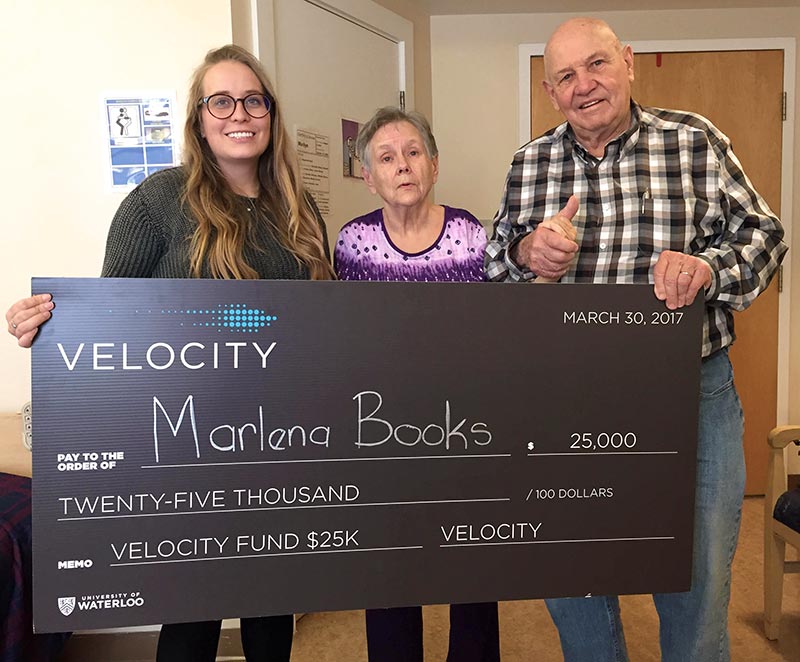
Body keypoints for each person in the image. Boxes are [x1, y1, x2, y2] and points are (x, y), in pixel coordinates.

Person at [6, 44, 333, 662]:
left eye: (254, 99)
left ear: (271, 113)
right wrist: (46, 326)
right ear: (199, 118)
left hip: (278, 442)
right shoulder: (158, 201)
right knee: (190, 616)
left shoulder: (301, 209)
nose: (240, 112)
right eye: (222, 100)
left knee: (271, 607)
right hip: (182, 448)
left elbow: (324, 327)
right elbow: (109, 321)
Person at [485, 17, 787, 662]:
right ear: (549, 89)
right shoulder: (529, 162)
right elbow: (496, 264)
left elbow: (766, 234)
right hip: (567, 405)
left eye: (596, 64)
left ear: (626, 61)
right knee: (574, 578)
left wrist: (708, 270)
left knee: (696, 583)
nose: (584, 85)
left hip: (690, 397)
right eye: (566, 76)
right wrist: (526, 252)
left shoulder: (693, 140)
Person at [334, 107, 498, 661]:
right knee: (392, 570)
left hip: (464, 427)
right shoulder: (351, 244)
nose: (401, 165)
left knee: (471, 571)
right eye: (385, 157)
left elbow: (497, 329)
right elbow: (346, 340)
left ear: (433, 164)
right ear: (368, 176)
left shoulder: (471, 235)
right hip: (384, 432)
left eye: (412, 153)